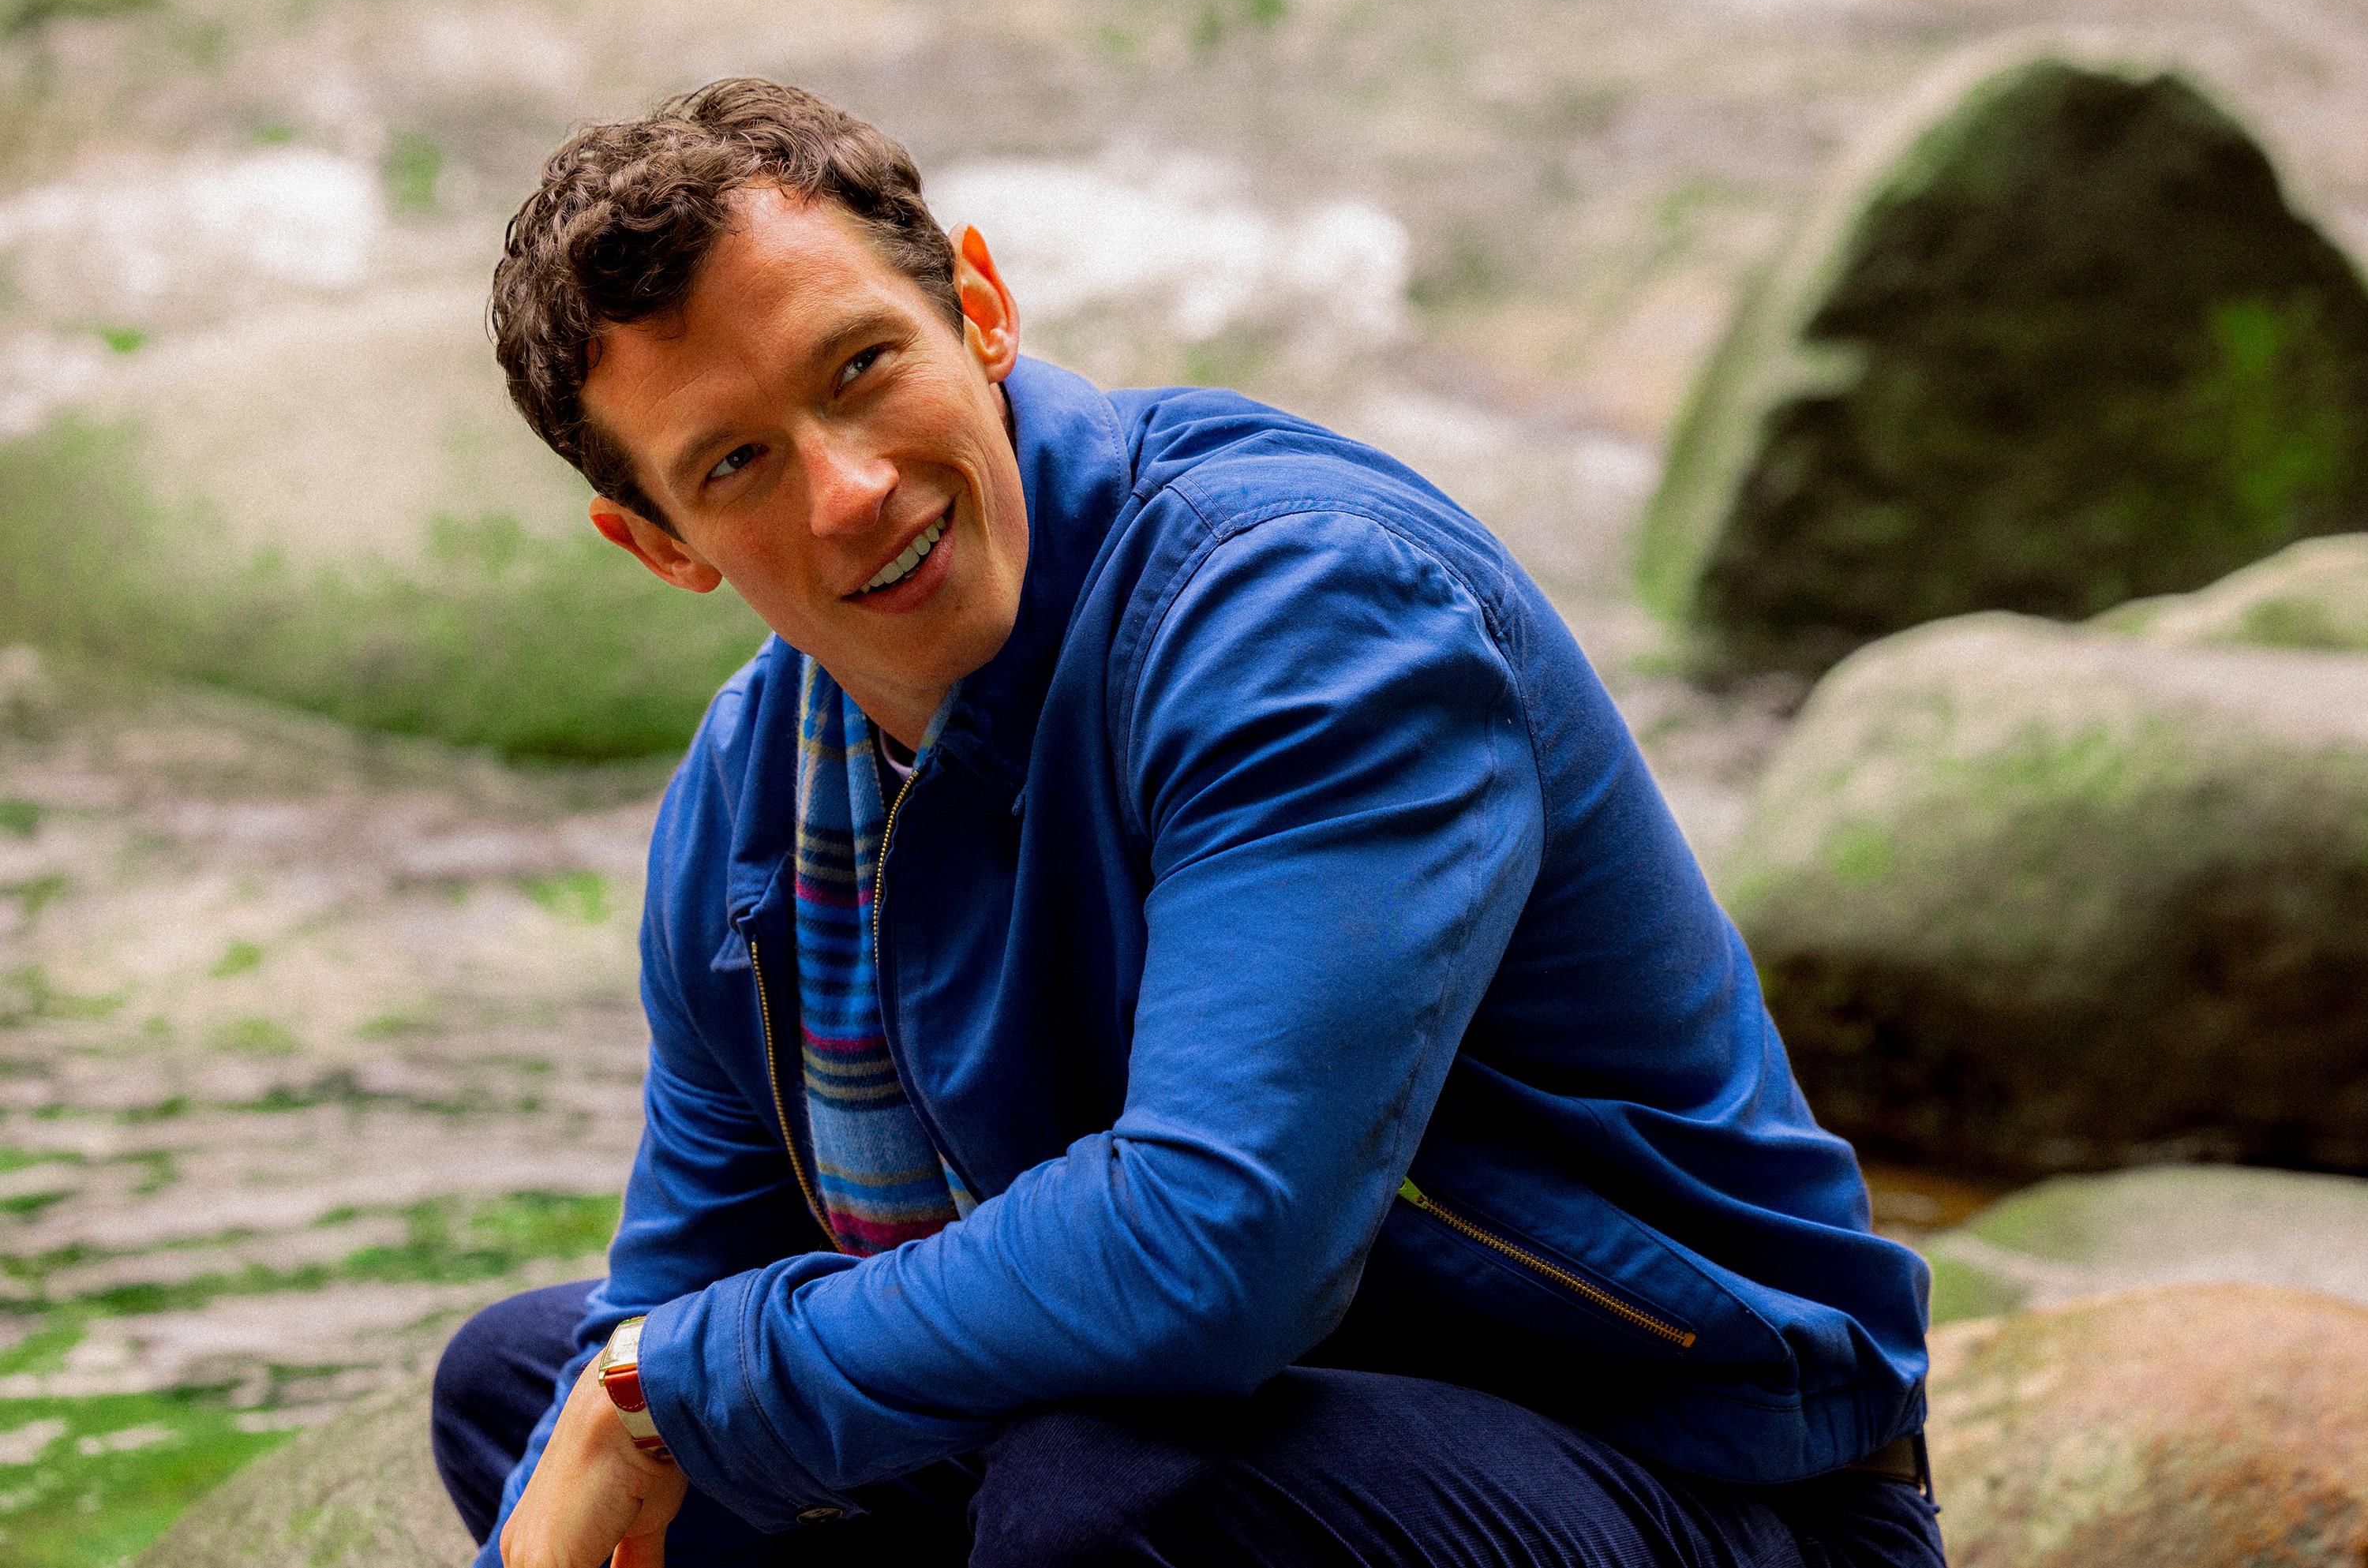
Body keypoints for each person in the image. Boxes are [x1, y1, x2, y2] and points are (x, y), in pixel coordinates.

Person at [433, 77, 1945, 1568]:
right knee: (530, 1392)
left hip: (1706, 1477)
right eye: (736, 462)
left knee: (1093, 1497)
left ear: (980, 309)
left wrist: (677, 1387)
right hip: (1223, 1415)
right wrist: (640, 1402)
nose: (851, 490)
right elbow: (675, 1300)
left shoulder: (1309, 610)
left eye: (860, 367)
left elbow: (1215, 1246)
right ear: (660, 543)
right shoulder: (751, 805)